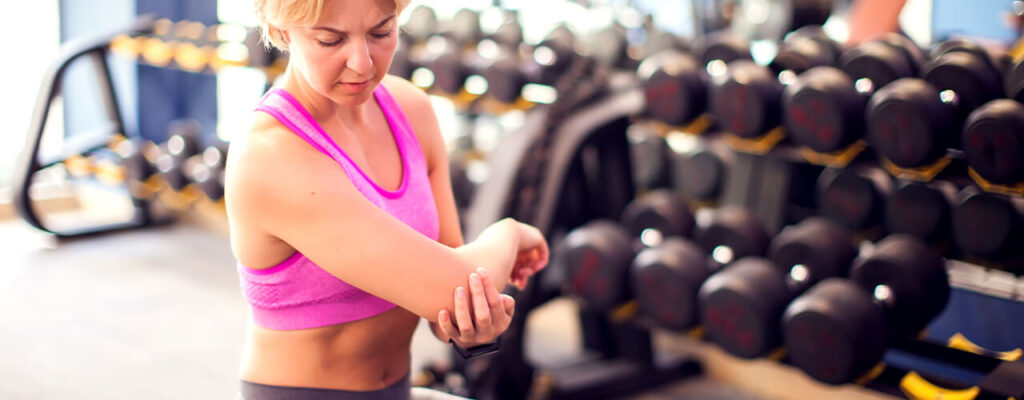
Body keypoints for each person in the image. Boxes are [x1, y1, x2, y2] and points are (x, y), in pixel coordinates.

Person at [224, 0, 550, 398]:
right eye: (330, 40)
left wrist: (468, 323)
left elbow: (450, 297)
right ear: (281, 31)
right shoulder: (270, 156)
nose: (362, 63)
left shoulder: (411, 110)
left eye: (381, 32)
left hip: (398, 388)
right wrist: (510, 233)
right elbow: (457, 281)